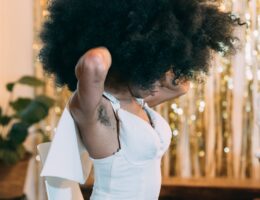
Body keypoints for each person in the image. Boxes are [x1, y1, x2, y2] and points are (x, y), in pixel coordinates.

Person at [39, 0, 243, 199]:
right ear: (131, 60)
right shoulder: (96, 111)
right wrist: (113, 37)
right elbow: (94, 63)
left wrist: (159, 52)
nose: (158, 79)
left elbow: (181, 86)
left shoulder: (136, 102)